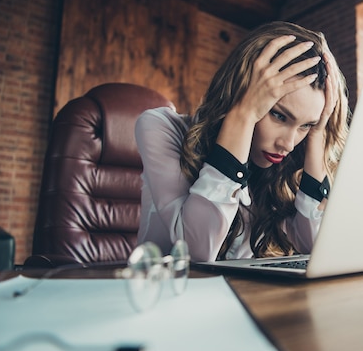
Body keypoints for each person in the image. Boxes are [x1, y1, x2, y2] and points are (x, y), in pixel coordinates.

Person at [135, 21, 349, 262]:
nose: (288, 144)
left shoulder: (285, 162)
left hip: (247, 295)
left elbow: (317, 249)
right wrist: (244, 114)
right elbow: (196, 252)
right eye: (278, 115)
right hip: (167, 292)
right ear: (241, 89)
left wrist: (318, 135)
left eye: (305, 125)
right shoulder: (160, 126)